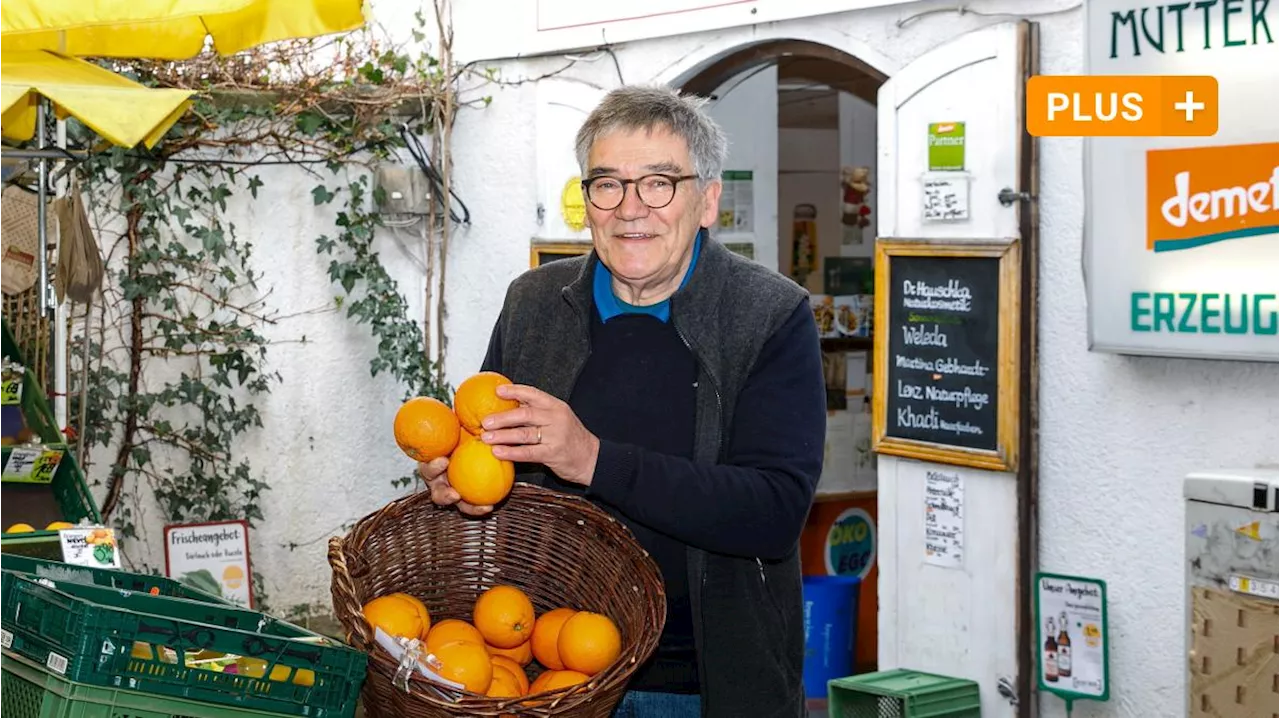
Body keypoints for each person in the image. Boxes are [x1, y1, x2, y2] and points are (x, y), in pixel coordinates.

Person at [419, 84, 827, 718]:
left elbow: (772, 513)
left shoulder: (769, 315)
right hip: (544, 669)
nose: (631, 208)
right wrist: (458, 483)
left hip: (701, 683)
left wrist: (595, 460)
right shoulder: (534, 304)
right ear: (587, 202)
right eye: (607, 184)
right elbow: (491, 459)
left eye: (660, 183)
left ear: (708, 200)